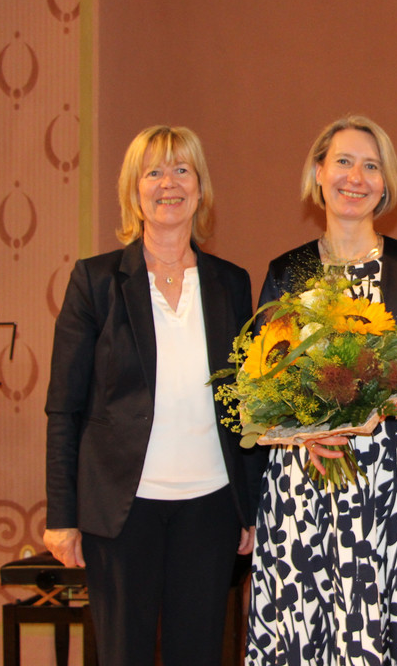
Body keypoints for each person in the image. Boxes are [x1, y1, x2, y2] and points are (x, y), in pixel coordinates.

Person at [246, 115, 397, 665]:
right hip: (308, 481)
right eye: (343, 161)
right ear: (318, 172)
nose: (356, 176)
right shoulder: (288, 271)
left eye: (371, 166)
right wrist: (301, 434)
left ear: (385, 184)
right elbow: (260, 384)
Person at [43, 126, 261, 666]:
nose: (170, 183)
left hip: (210, 506)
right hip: (121, 511)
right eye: (154, 172)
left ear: (201, 188)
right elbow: (63, 407)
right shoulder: (94, 282)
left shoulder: (231, 283)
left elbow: (249, 401)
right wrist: (61, 515)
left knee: (199, 654)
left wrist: (250, 507)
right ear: (133, 191)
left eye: (182, 170)